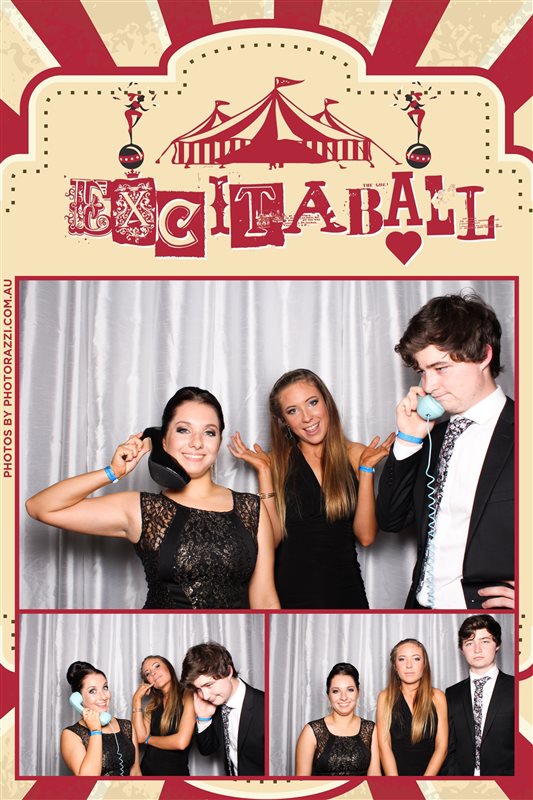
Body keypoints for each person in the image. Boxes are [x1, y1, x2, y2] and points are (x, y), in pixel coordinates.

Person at [26, 387, 280, 610]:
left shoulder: (251, 508)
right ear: (163, 441)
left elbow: (266, 600)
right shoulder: (142, 509)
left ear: (219, 442)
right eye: (183, 430)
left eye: (209, 432)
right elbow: (40, 507)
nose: (196, 443)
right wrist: (113, 472)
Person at [376, 293, 514, 609]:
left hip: (485, 614)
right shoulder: (430, 437)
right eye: (422, 371)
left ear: (483, 355)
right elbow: (391, 520)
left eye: (441, 368)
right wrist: (408, 441)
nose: (428, 386)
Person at [229, 368, 394, 608]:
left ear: (326, 402)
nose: (307, 417)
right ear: (283, 420)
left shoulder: (357, 455)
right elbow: (271, 542)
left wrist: (367, 470)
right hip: (290, 596)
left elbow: (367, 537)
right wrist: (264, 473)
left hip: (346, 593)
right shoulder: (275, 463)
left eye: (312, 403)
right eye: (293, 411)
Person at [181, 641, 264, 776]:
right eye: (198, 689)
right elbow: (207, 750)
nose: (205, 696)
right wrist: (204, 718)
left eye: (209, 685)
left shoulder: (264, 707)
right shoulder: (214, 705)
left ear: (228, 671)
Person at [444, 615, 513, 776]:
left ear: (497, 644)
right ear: (461, 650)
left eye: (485, 641)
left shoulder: (519, 688)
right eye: (469, 643)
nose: (477, 649)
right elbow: (450, 745)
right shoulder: (452, 693)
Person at [376, 639, 447, 776]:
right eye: (402, 659)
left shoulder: (438, 697)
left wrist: (424, 784)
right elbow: (384, 747)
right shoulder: (385, 697)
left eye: (416, 659)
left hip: (430, 780)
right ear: (395, 666)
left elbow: (441, 747)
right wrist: (396, 784)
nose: (409, 665)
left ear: (424, 664)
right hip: (394, 779)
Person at [295, 662, 380, 776]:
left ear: (358, 693)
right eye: (336, 691)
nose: (343, 697)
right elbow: (301, 782)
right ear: (328, 695)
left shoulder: (370, 729)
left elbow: (375, 777)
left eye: (350, 690)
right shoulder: (311, 731)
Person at [61, 660, 141, 776]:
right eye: (92, 691)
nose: (103, 696)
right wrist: (95, 730)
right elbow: (88, 780)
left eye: (105, 687)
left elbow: (136, 772)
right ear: (78, 698)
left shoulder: (126, 726)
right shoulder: (71, 734)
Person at [132, 655, 195, 775]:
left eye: (157, 666)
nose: (153, 673)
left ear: (169, 667)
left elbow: (181, 742)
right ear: (148, 682)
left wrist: (148, 739)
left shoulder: (188, 695)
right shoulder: (153, 705)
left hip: (176, 776)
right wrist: (136, 700)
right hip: (147, 773)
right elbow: (140, 737)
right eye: (148, 673)